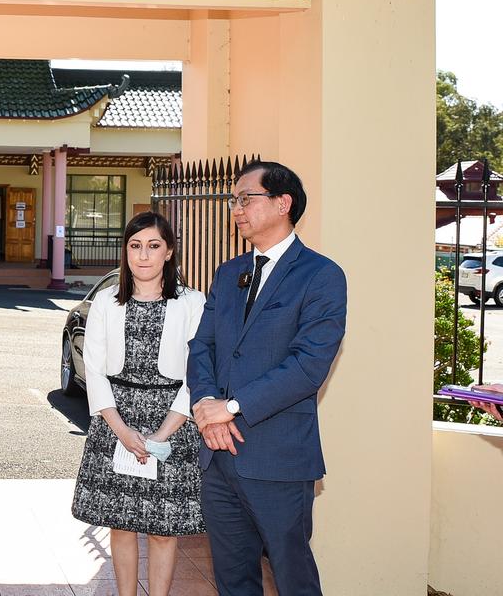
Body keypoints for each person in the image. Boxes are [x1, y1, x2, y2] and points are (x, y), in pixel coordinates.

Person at [187, 160, 346, 596]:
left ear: (283, 203)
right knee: (233, 580)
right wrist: (205, 407)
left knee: (293, 578)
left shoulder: (321, 276)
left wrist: (232, 407)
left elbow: (308, 365)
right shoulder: (228, 272)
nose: (236, 209)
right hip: (218, 457)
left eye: (246, 199)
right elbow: (203, 347)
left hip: (279, 459)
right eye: (234, 201)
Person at [72, 211, 207, 595]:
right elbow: (94, 371)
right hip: (117, 420)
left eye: (153, 246)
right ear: (125, 252)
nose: (143, 255)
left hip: (173, 420)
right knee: (121, 523)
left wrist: (161, 435)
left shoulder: (192, 303)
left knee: (164, 529)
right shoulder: (105, 303)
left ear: (169, 252)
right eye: (135, 246)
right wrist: (122, 431)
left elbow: (198, 374)